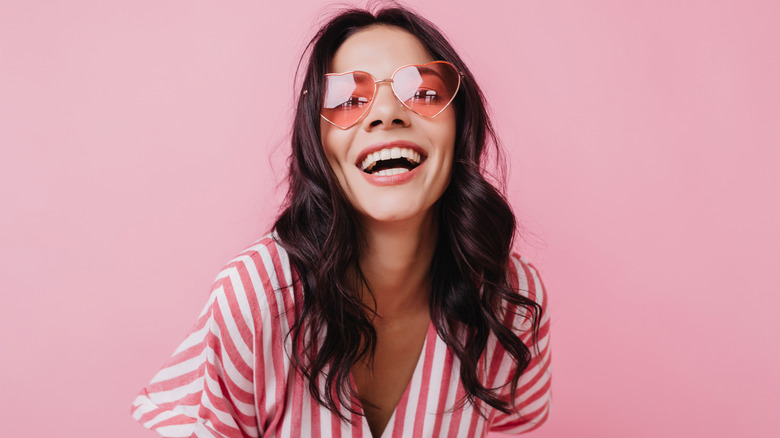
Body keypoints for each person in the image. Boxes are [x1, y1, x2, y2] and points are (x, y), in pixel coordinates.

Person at [131, 5, 551, 438]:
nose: (386, 114)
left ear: (461, 123)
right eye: (349, 100)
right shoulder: (256, 296)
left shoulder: (512, 300)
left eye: (423, 93)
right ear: (317, 143)